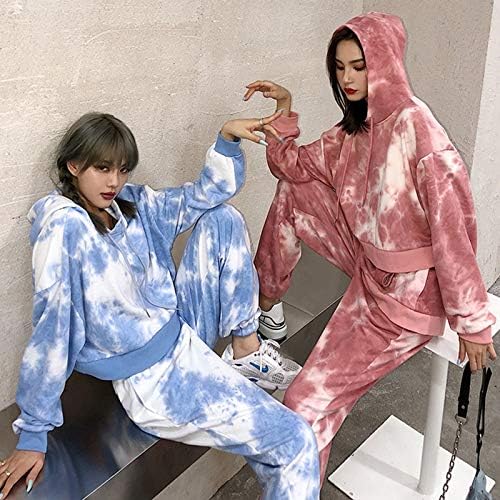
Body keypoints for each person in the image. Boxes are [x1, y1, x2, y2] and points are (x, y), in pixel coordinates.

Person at [0, 112, 320, 499]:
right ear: (73, 165)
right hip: (154, 380)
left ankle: (245, 347)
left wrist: (226, 140)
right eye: (102, 168)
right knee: (296, 441)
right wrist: (33, 433)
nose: (114, 181)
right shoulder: (65, 229)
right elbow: (53, 327)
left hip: (180, 331)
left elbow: (203, 195)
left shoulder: (129, 205)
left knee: (222, 217)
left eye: (122, 169)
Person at [244, 11, 497, 484]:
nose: (348, 78)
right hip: (369, 266)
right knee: (293, 191)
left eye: (359, 66)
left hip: (409, 297)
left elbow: (454, 232)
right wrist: (286, 110)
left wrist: (473, 322)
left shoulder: (421, 132)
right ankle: (266, 308)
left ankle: (294, 487)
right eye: (340, 67)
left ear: (385, 62)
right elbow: (292, 167)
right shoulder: (352, 130)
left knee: (302, 404)